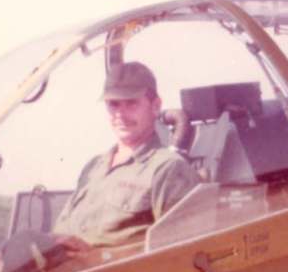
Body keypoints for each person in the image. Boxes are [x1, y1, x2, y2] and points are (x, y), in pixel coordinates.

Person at [48, 61, 201, 255]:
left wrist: (95, 257)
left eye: (131, 103)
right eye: (113, 104)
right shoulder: (93, 168)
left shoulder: (167, 169)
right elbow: (60, 233)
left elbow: (179, 255)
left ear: (155, 106)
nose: (120, 114)